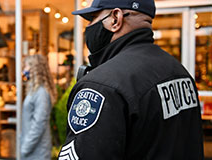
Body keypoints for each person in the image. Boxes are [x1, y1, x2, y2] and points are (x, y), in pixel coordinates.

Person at [58, 0, 204, 159]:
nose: (89, 26)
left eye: (93, 18)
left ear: (115, 18)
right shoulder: (180, 72)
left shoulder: (101, 85)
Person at [21, 54, 57, 160]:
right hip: (33, 148)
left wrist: (26, 147)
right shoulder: (35, 91)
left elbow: (39, 123)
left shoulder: (41, 93)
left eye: (26, 66)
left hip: (37, 150)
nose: (24, 70)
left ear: (34, 68)